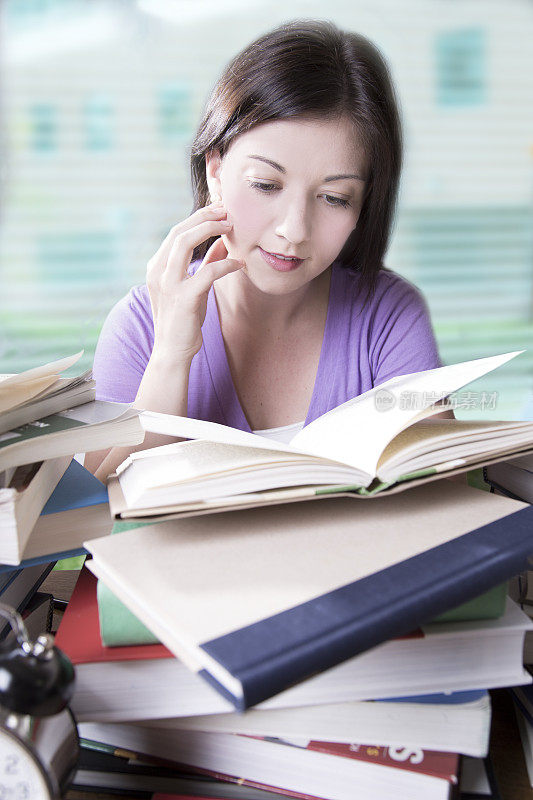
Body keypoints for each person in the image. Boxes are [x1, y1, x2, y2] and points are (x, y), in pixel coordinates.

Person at [86, 19, 446, 481]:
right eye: (265, 184)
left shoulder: (389, 317)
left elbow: (440, 494)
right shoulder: (137, 325)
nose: (294, 230)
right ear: (215, 170)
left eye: (335, 198)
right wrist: (172, 354)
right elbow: (103, 510)